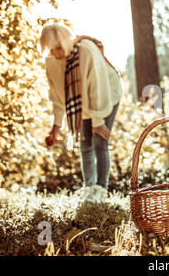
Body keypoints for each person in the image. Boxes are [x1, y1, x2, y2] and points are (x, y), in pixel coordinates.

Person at [39, 24, 122, 203]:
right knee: (85, 144)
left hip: (107, 95)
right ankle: (89, 188)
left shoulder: (86, 51)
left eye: (59, 48)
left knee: (100, 141)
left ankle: (101, 190)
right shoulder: (51, 61)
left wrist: (98, 119)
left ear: (67, 41)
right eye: (51, 50)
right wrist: (56, 125)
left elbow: (98, 88)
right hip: (80, 105)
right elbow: (58, 96)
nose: (56, 53)